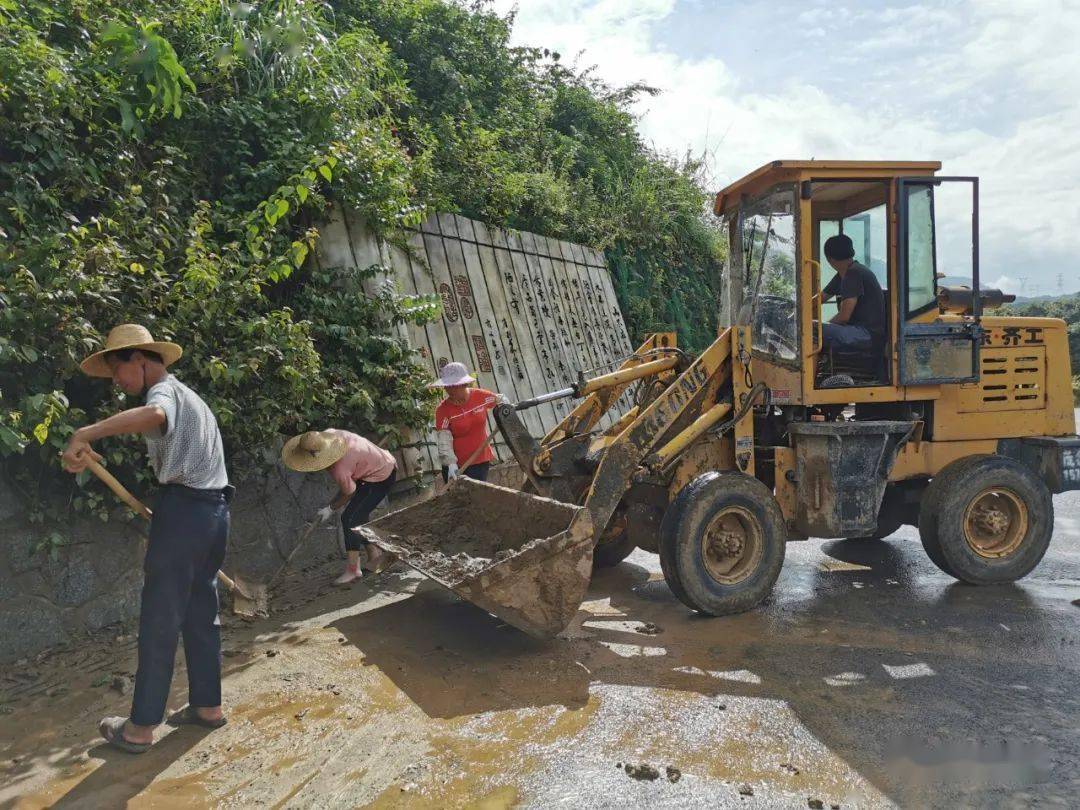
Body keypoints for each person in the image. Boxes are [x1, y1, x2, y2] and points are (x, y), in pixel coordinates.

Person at [61, 324, 231, 754]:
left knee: (160, 617)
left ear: (140, 359)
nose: (117, 382)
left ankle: (139, 728)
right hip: (213, 513)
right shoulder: (193, 399)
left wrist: (85, 434)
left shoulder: (165, 394)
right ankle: (208, 706)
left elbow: (156, 415)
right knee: (199, 613)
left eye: (118, 370)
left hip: (184, 516)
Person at [282, 429, 396, 585]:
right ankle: (374, 555)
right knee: (357, 518)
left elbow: (349, 492)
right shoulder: (328, 435)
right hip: (373, 466)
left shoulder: (340, 468)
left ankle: (353, 570)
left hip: (382, 476)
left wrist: (330, 509)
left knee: (351, 520)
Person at [431, 362, 507, 483]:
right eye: (447, 386)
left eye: (453, 386)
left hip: (480, 460)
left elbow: (501, 401)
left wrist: (504, 412)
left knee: (477, 496)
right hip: (456, 465)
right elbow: (444, 440)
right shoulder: (443, 410)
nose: (449, 390)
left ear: (464, 384)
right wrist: (450, 464)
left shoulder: (480, 397)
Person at [820, 233, 886, 355]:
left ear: (830, 259)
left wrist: (822, 327)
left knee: (813, 329)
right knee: (816, 328)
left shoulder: (853, 274)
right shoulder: (845, 272)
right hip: (860, 331)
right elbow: (821, 298)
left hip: (866, 334)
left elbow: (844, 317)